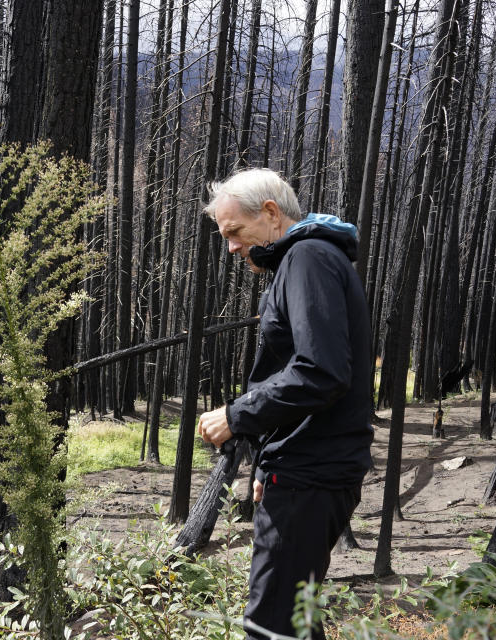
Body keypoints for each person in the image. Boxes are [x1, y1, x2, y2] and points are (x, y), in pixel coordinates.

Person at [196, 168, 373, 640]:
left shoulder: (307, 258)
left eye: (235, 232)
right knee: (295, 621)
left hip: (312, 474)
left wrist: (237, 416)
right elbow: (302, 372)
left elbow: (321, 372)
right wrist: (266, 465)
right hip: (304, 470)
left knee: (269, 627)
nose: (231, 247)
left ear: (271, 213)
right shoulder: (309, 258)